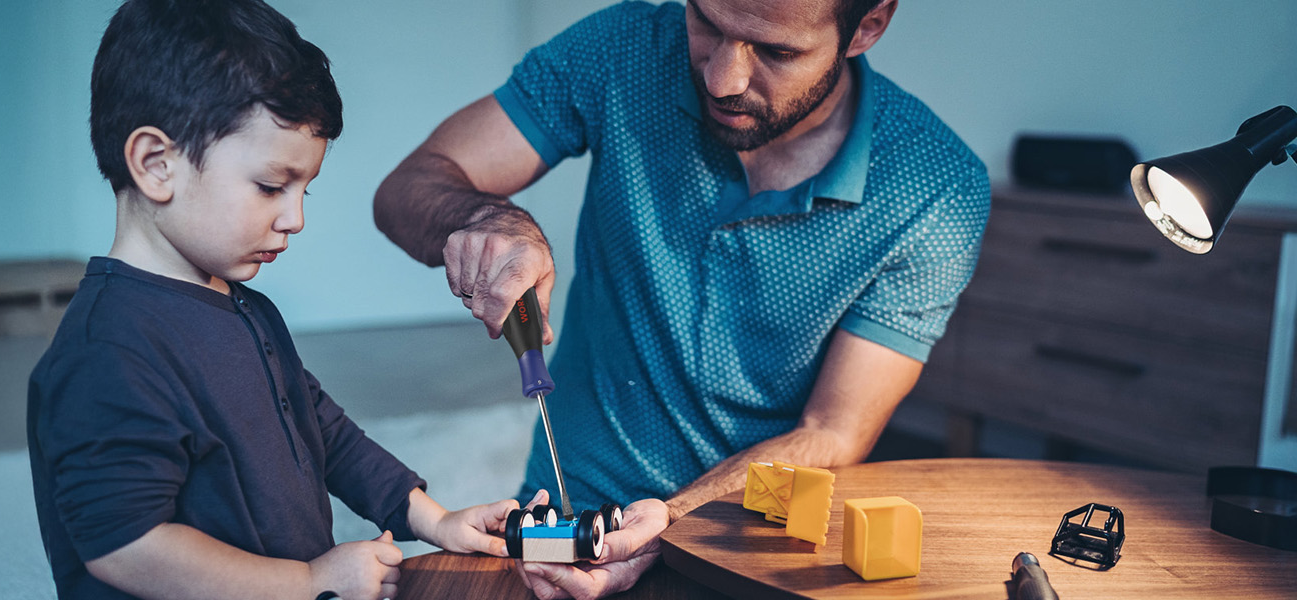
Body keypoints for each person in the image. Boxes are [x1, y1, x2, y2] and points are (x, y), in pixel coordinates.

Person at [375, 0, 989, 597]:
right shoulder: (622, 48)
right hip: (570, 501)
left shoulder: (936, 190)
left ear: (868, 25)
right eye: (707, 21)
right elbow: (408, 188)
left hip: (749, 541)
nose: (723, 78)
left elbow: (832, 430)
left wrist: (672, 518)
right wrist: (488, 219)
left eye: (776, 50)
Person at [26, 1, 541, 599]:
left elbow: (325, 433)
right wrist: (306, 581)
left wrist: (433, 519)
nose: (294, 218)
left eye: (303, 188)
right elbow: (126, 549)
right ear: (155, 164)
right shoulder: (107, 351)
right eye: (271, 186)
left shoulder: (246, 308)